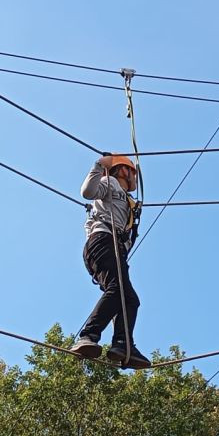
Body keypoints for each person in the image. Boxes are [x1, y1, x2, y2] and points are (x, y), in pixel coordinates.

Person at [72, 154, 150, 369]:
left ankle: (123, 344)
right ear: (123, 170)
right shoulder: (110, 182)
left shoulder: (128, 200)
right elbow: (87, 192)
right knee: (118, 291)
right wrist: (99, 165)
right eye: (132, 171)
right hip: (103, 240)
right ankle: (88, 335)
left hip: (114, 247)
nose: (135, 176)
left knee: (130, 299)